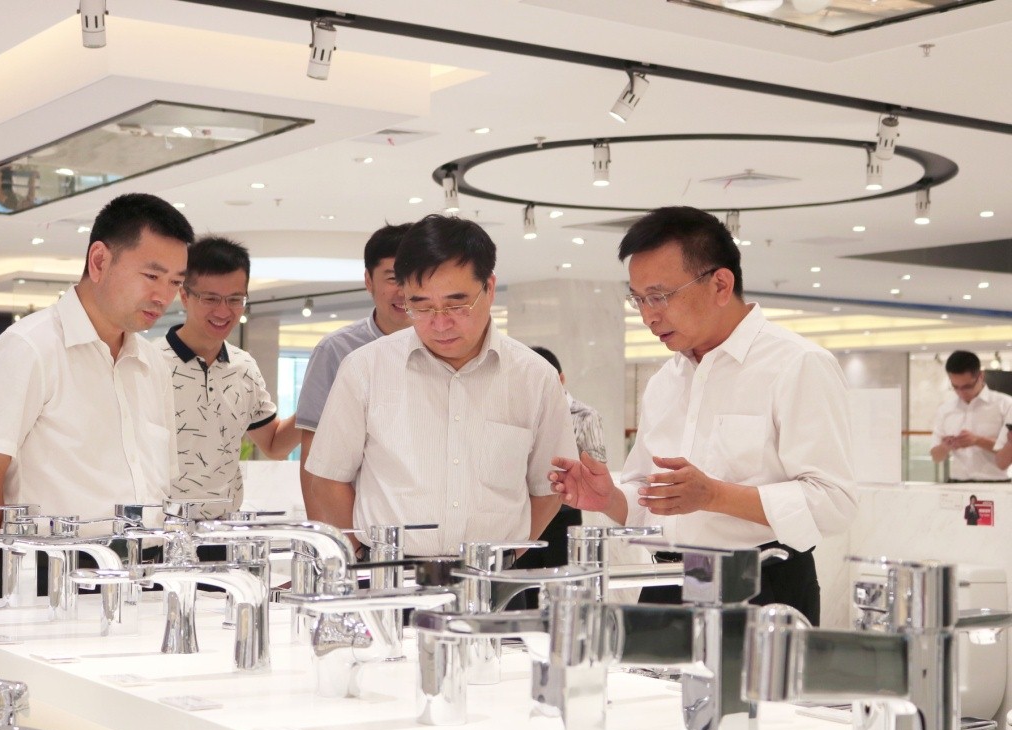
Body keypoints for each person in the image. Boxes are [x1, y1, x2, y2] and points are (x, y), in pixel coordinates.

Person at [548, 206, 856, 626]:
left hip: (760, 586)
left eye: (659, 296)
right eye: (638, 299)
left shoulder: (797, 364)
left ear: (720, 284)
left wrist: (714, 495)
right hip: (666, 582)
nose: (648, 315)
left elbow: (834, 503)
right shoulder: (665, 380)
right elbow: (650, 501)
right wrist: (608, 498)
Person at [0, 193, 194, 597]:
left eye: (175, 282)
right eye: (151, 276)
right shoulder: (28, 349)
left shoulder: (152, 363)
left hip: (148, 573)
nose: (163, 296)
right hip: (52, 576)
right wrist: (1, 587)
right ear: (99, 261)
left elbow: (162, 483)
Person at [306, 214, 576, 559]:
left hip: (491, 573)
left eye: (456, 305)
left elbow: (548, 487)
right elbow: (329, 477)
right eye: (421, 307)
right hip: (389, 573)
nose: (440, 323)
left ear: (489, 288)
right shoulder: (365, 369)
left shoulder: (535, 377)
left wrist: (508, 556)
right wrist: (361, 555)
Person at [156, 236, 300, 507]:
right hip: (160, 527)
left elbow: (273, 444)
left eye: (235, 299)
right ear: (184, 296)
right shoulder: (149, 363)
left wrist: (318, 402)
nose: (223, 311)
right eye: (210, 298)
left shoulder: (244, 367)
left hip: (226, 527)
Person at [297, 223, 413, 521]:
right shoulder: (336, 350)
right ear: (368, 281)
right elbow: (313, 458)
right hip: (362, 525)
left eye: (413, 277)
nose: (404, 290)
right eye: (393, 278)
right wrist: (333, 539)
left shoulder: (445, 347)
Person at [524, 345, 606, 569]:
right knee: (525, 578)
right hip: (527, 509)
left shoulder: (585, 415)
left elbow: (597, 465)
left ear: (561, 379)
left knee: (561, 576)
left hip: (565, 511)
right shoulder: (524, 414)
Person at [930, 350, 1012, 482]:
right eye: (955, 387)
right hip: (956, 483)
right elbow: (935, 456)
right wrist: (946, 446)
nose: (961, 392)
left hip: (996, 482)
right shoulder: (945, 409)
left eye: (967, 386)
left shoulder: (1005, 404)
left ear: (981, 376)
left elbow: (1008, 451)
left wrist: (977, 440)